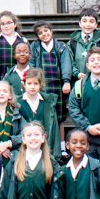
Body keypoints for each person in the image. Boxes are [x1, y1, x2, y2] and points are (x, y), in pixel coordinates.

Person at [29, 20, 72, 155]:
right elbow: (31, 64)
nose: (44, 34)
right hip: (42, 87)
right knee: (44, 115)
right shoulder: (35, 47)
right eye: (40, 33)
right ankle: (44, 145)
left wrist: (66, 81)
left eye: (46, 31)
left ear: (51, 31)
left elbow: (66, 64)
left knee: (58, 118)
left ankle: (61, 147)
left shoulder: (60, 46)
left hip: (57, 86)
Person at [17, 68, 60, 160]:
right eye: (29, 83)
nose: (32, 87)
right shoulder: (18, 103)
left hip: (44, 145)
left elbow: (54, 128)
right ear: (23, 84)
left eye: (36, 84)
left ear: (40, 85)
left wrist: (56, 153)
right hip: (24, 146)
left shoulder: (48, 103)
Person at [0, 80, 24, 163]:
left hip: (13, 156)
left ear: (10, 96)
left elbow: (25, 134)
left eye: (5, 91)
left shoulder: (17, 114)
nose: (1, 93)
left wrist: (9, 144)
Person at [68, 8, 100, 78]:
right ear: (80, 23)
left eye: (91, 21)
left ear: (96, 24)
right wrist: (76, 73)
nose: (88, 24)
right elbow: (69, 62)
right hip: (78, 82)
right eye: (84, 21)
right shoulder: (72, 43)